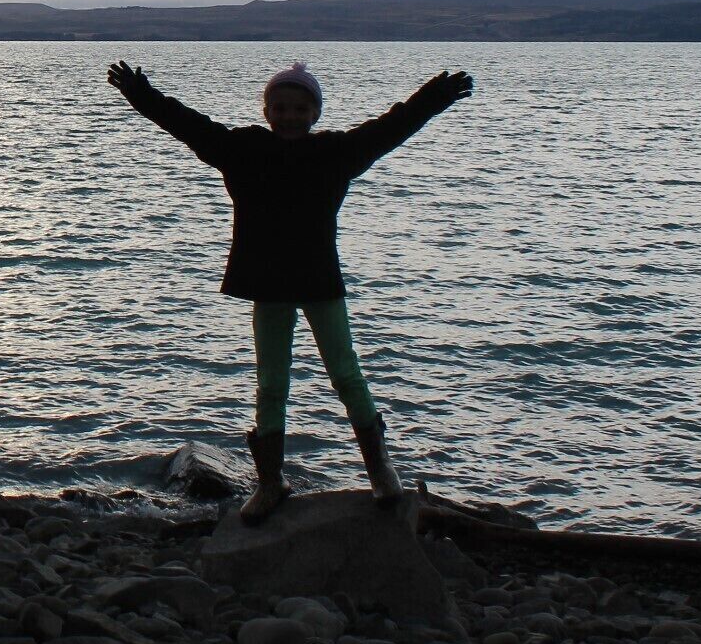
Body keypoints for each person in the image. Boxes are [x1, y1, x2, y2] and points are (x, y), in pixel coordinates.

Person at [107, 58, 473, 524]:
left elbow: (392, 126)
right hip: (269, 284)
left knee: (346, 375)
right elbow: (186, 124)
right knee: (271, 385)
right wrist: (140, 93)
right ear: (266, 110)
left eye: (299, 108)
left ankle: (381, 473)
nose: (289, 115)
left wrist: (435, 96)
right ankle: (270, 482)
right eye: (279, 107)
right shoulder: (242, 149)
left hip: (319, 282)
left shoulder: (336, 152)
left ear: (314, 113)